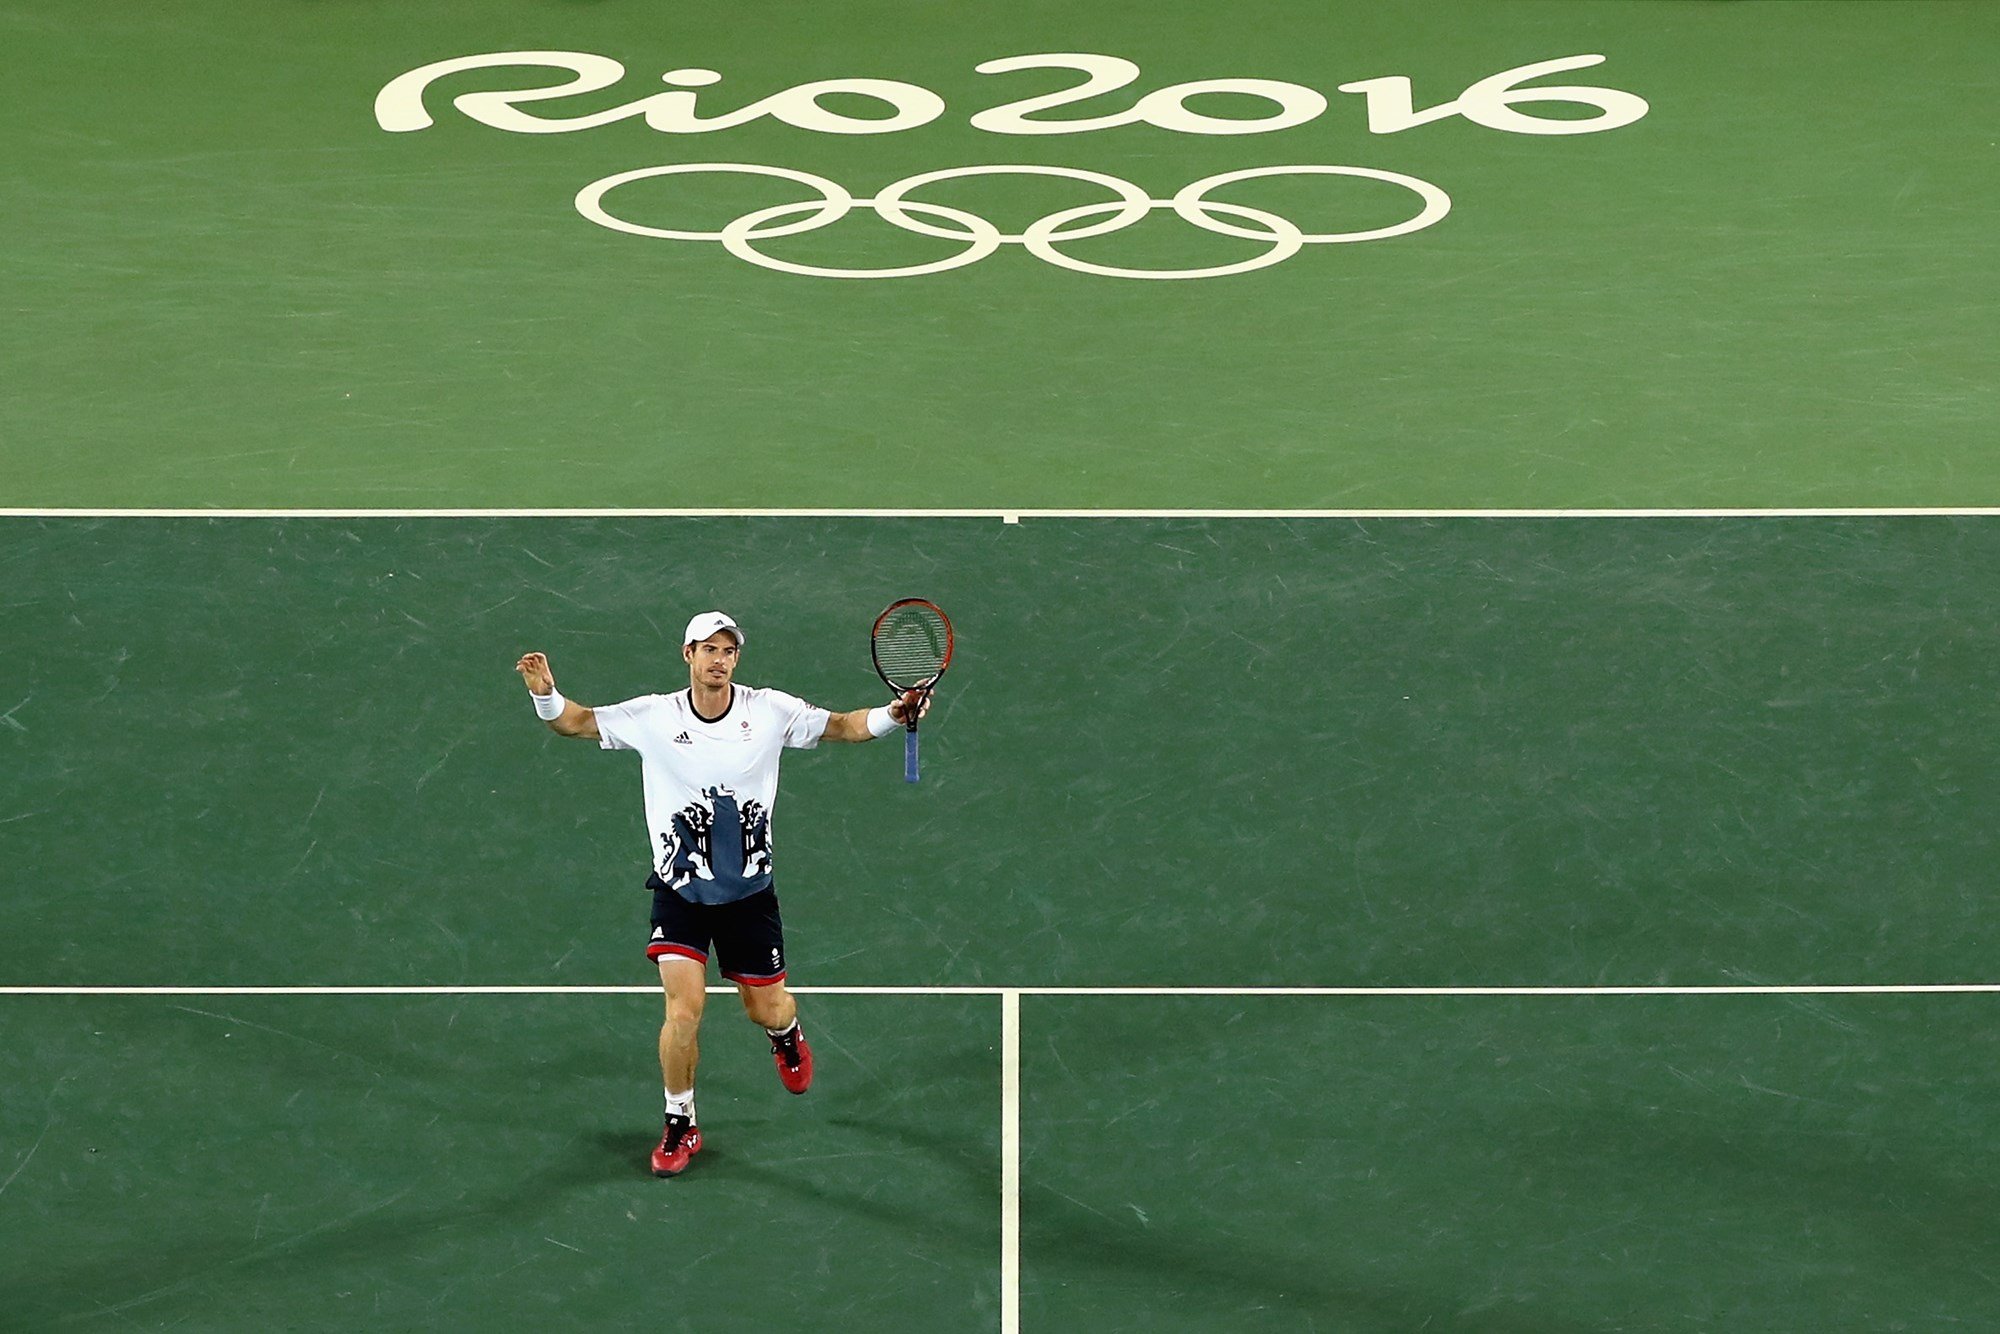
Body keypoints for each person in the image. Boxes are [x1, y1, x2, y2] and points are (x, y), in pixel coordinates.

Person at [514, 611, 929, 1177]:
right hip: (679, 892)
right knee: (684, 1010)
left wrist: (891, 713)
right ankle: (680, 1122)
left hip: (749, 896)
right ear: (688, 655)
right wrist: (546, 695)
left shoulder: (770, 712)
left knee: (767, 1006)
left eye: (728, 650)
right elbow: (578, 723)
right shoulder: (654, 716)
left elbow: (842, 726)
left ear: (737, 658)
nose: (718, 659)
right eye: (708, 648)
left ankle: (786, 1034)